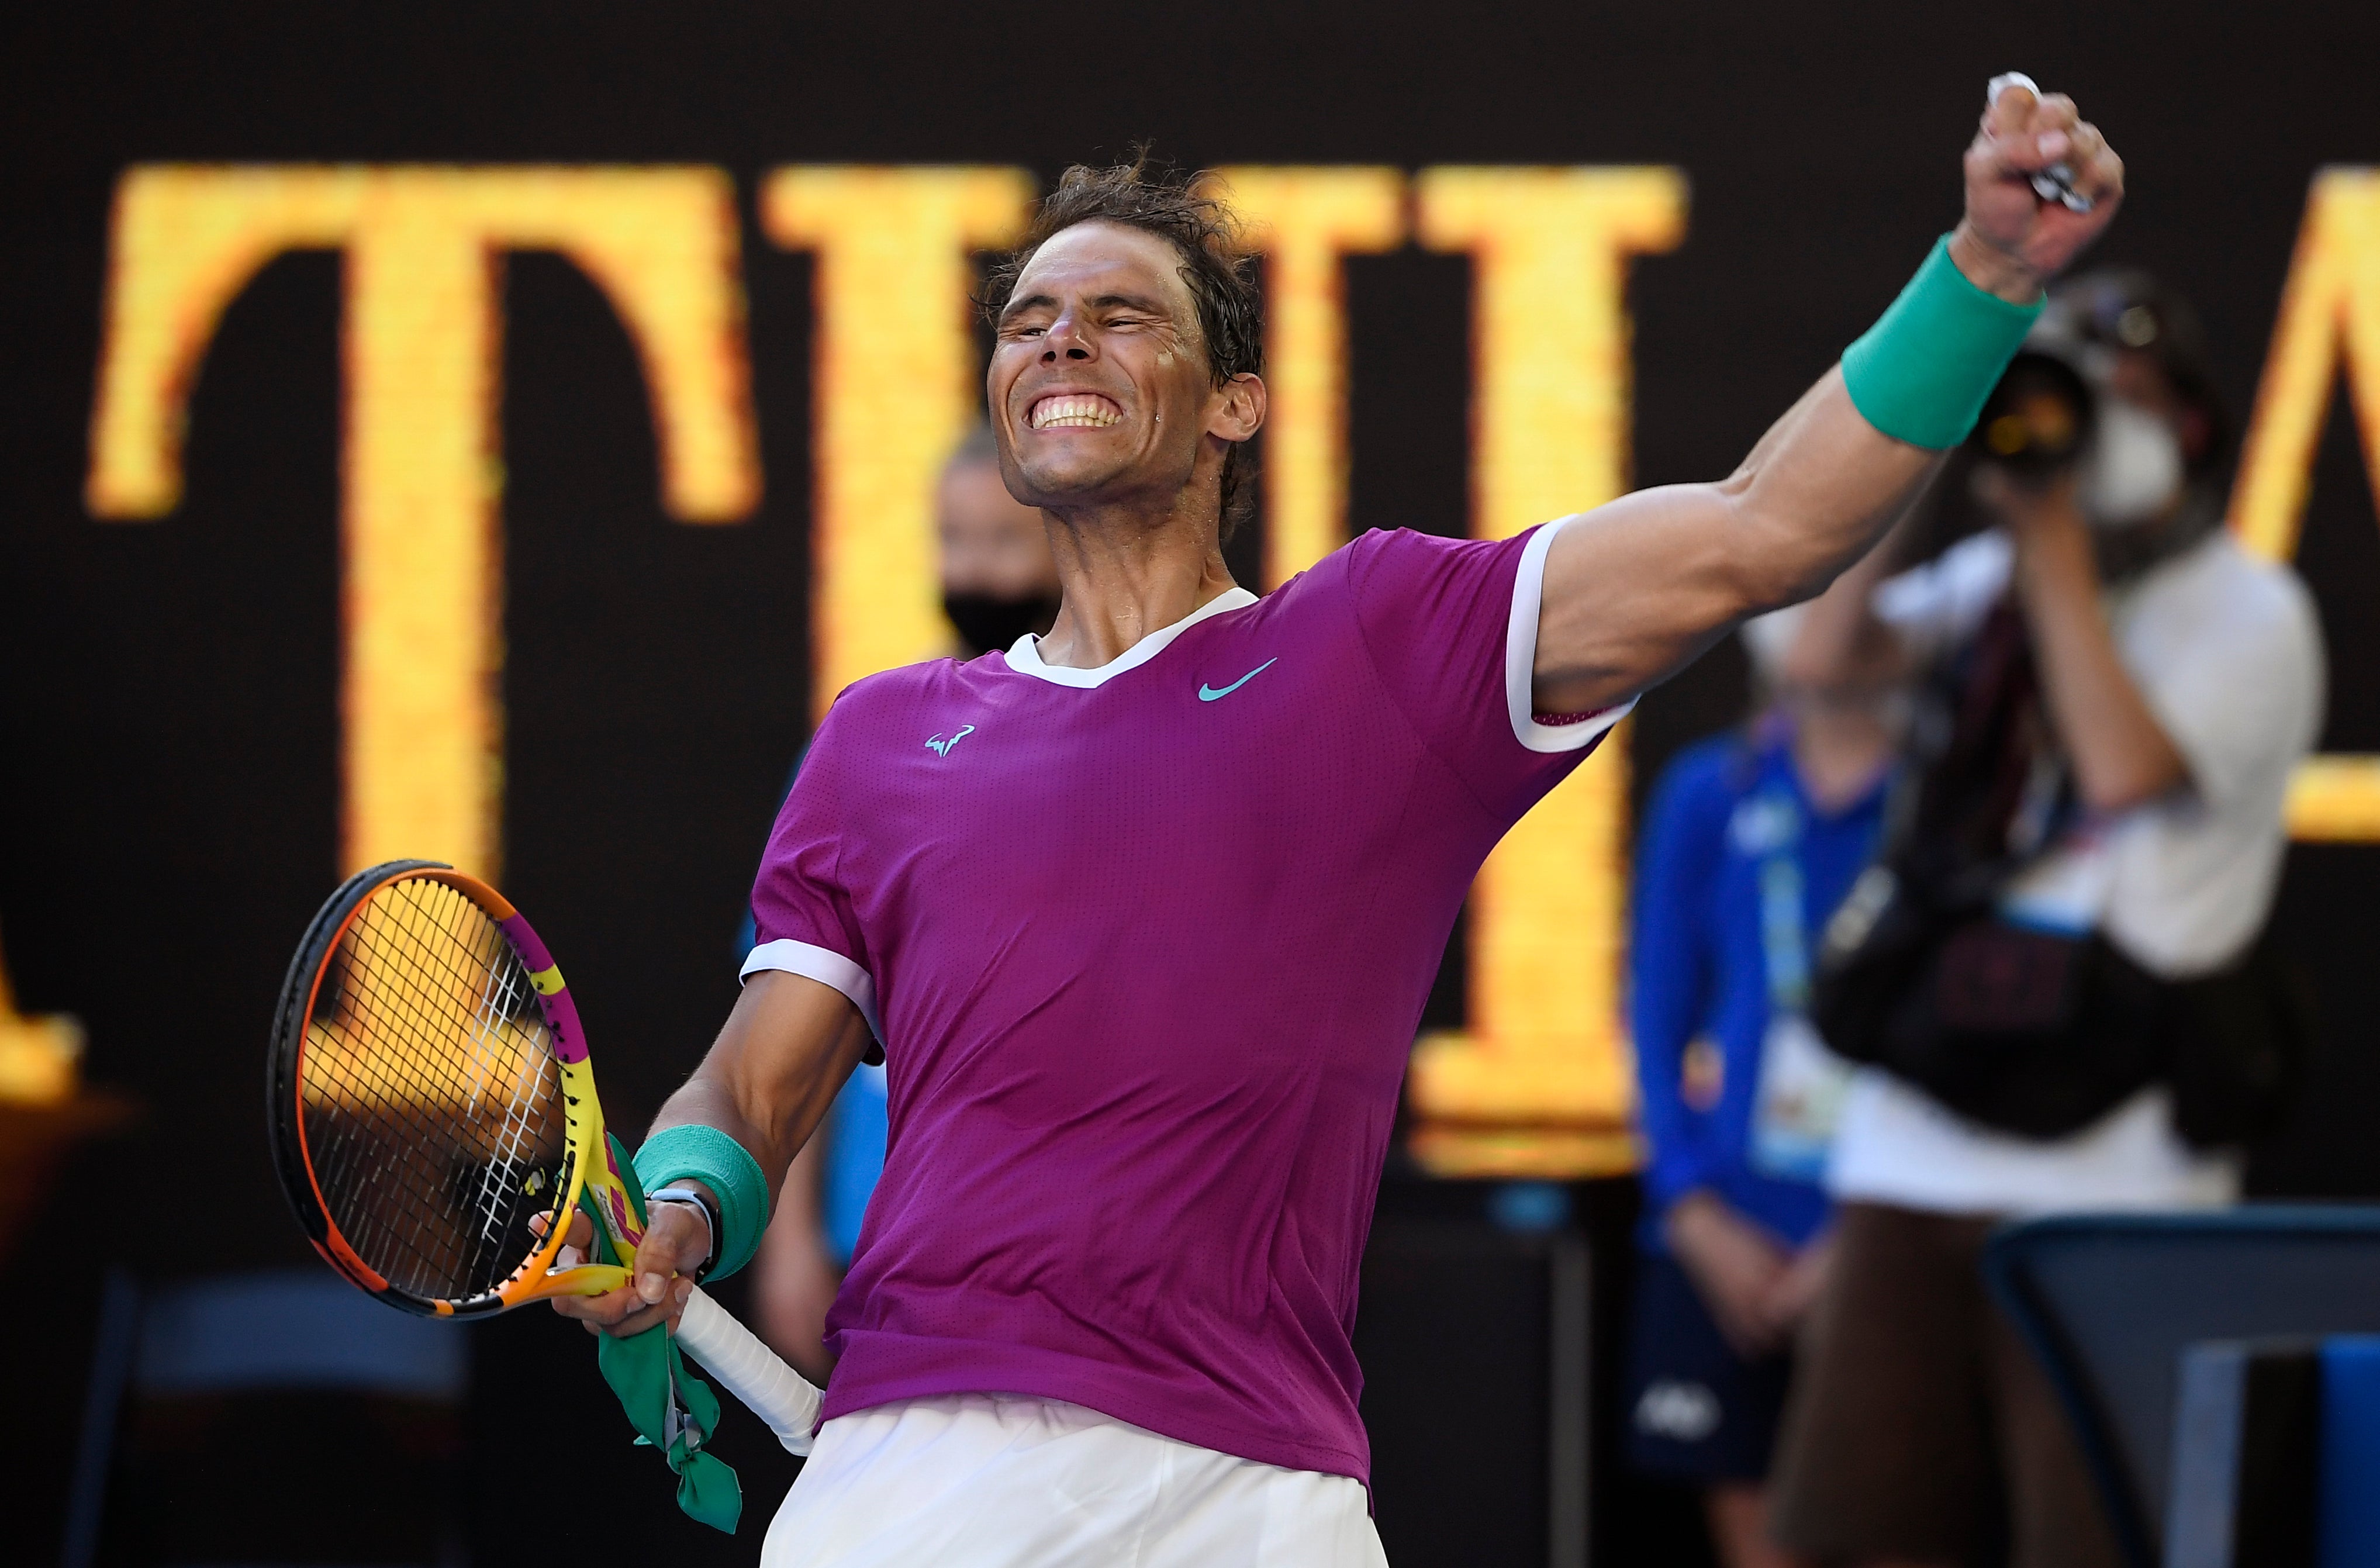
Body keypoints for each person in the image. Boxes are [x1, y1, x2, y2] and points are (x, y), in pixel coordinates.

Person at [551, 80, 2126, 1566]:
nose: (1062, 341)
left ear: (1235, 401)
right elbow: (758, 1084)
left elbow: (1764, 533)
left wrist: (1986, 270)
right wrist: (679, 1198)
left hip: (1258, 1488)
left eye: (1119, 314)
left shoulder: (1378, 643)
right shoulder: (884, 739)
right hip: (924, 1457)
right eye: (1029, 319)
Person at [1764, 271, 2325, 1568]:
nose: (2074, 430)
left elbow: (2121, 767)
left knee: (2095, 1534)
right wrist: (1915, 463)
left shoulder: (2251, 608)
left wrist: (2055, 549)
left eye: (2114, 404)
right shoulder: (1982, 577)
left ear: (2189, 427)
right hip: (1912, 1151)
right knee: (1853, 1535)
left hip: (2113, 1169)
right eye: (2053, 397)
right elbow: (1816, 667)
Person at [747, 424, 1062, 1380]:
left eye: (1004, 542)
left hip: (1063, 1252)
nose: (974, 569)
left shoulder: (1149, 738)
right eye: (953, 540)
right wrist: (787, 1239)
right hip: (883, 1246)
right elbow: (798, 1016)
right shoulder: (873, 741)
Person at [1625, 586, 1904, 1568]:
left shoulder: (1938, 800)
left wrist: (1869, 1236)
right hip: (1725, 1230)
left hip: (1884, 1231)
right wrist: (1692, 1208)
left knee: (1904, 1522)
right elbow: (1652, 1017)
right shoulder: (1715, 790)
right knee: (1761, 1536)